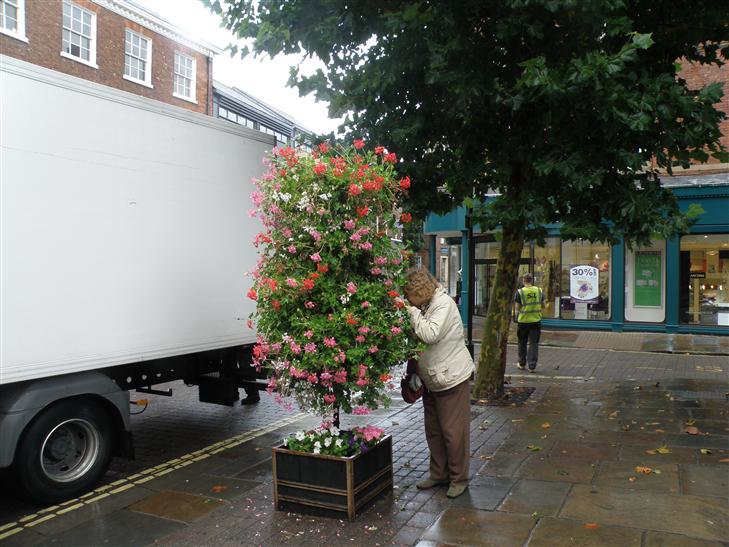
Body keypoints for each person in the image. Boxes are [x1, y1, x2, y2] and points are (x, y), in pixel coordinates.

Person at [403, 268, 475, 499]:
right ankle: (439, 474)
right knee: (434, 430)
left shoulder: (443, 304)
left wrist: (411, 312)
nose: (407, 300)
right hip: (433, 378)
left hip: (451, 378)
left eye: (409, 296)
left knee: (453, 432)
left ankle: (458, 478)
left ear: (419, 292)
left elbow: (430, 334)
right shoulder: (426, 305)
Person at [514, 273, 544, 372]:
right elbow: (543, 305)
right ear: (532, 280)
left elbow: (517, 309)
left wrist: (515, 318)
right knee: (533, 344)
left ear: (523, 280)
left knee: (522, 342)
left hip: (523, 322)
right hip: (535, 321)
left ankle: (522, 364)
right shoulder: (539, 291)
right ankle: (532, 366)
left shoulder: (520, 292)